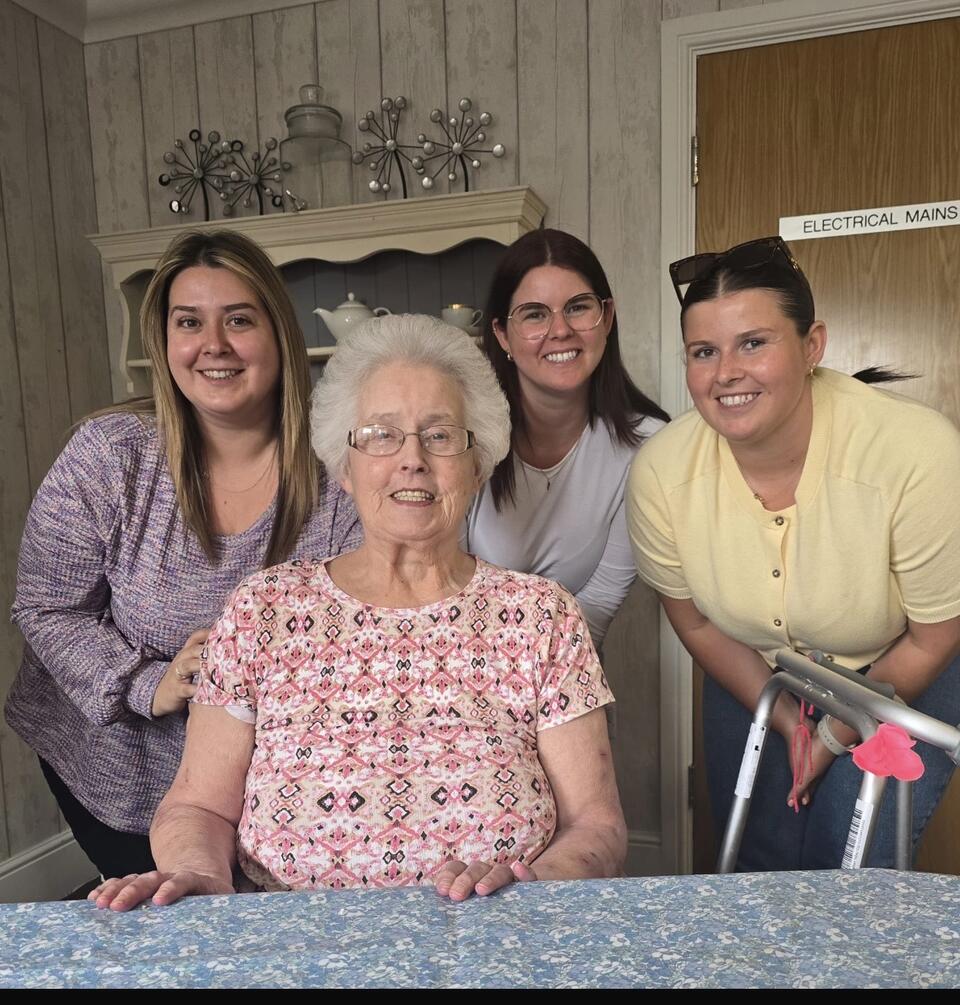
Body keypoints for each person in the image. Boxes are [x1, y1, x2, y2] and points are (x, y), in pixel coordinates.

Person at [88, 314, 627, 910]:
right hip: (294, 950)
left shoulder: (541, 616)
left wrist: (532, 890)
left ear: (477, 465)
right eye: (380, 434)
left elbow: (596, 828)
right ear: (344, 467)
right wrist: (202, 876)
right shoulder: (264, 609)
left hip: (495, 942)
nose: (412, 459)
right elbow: (197, 805)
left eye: (441, 435)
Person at [6, 230, 360, 879]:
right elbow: (47, 606)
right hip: (114, 765)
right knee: (169, 921)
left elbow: (363, 624)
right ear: (165, 341)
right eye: (189, 322)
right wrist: (150, 682)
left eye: (239, 320)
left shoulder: (340, 475)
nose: (214, 344)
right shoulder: (109, 455)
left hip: (272, 771)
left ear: (279, 333)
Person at [627, 235, 960, 870]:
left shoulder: (917, 453)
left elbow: (934, 636)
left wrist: (832, 735)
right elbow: (693, 618)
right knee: (759, 859)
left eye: (753, 343)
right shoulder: (661, 472)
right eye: (704, 351)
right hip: (756, 665)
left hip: (901, 663)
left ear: (813, 346)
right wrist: (784, 719)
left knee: (847, 859)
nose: (725, 372)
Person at [466, 229, 668, 651]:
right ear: (503, 334)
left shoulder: (649, 448)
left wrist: (541, 698)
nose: (560, 331)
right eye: (535, 314)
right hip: (459, 674)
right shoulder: (462, 438)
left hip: (571, 678)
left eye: (577, 308)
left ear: (607, 318)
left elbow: (597, 607)